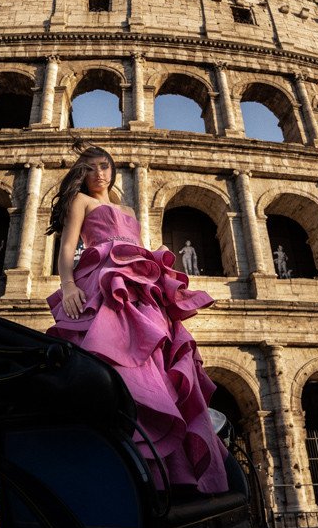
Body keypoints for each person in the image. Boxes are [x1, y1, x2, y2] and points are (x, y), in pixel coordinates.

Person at [45, 143, 228, 494]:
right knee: (118, 359)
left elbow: (136, 243)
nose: (99, 173)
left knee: (156, 359)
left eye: (104, 166)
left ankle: (170, 472)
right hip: (103, 279)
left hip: (140, 281)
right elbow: (68, 246)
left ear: (112, 170)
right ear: (81, 175)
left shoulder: (126, 207)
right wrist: (68, 285)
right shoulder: (81, 202)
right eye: (90, 168)